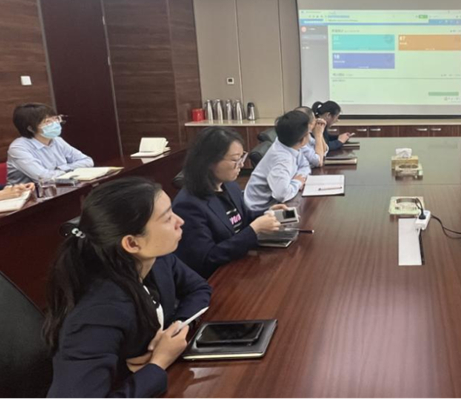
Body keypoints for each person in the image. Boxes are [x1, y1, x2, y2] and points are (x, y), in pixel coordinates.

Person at [44, 177, 212, 398]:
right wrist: (159, 362)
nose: (180, 221)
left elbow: (199, 289)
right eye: (167, 218)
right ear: (132, 243)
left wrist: (174, 331)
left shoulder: (155, 257)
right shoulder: (98, 313)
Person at [173, 127, 285, 278]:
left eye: (242, 157)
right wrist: (254, 229)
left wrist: (267, 213)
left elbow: (242, 218)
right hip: (216, 277)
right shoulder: (189, 205)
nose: (241, 165)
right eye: (234, 160)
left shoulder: (229, 185)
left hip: (238, 264)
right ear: (209, 161)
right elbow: (208, 258)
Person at [6, 103, 94, 185]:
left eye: (55, 119)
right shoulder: (18, 148)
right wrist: (71, 169)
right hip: (29, 194)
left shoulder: (57, 140)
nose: (55, 123)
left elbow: (87, 161)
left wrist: (61, 168)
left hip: (62, 187)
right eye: (47, 121)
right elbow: (43, 178)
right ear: (31, 129)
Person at [244, 110, 310, 212]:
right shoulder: (282, 160)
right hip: (258, 210)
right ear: (303, 140)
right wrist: (297, 182)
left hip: (274, 202)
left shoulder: (287, 144)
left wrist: (298, 179)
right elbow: (282, 194)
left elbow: (305, 165)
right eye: (309, 133)